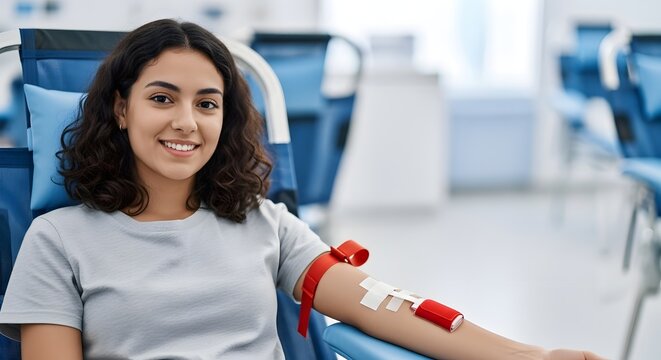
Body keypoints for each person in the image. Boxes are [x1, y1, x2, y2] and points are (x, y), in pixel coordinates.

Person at [0, 19, 604, 360]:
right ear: (121, 109)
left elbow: (386, 305)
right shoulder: (59, 239)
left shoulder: (262, 222)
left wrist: (529, 357)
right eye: (162, 98)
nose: (187, 121)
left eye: (207, 104)